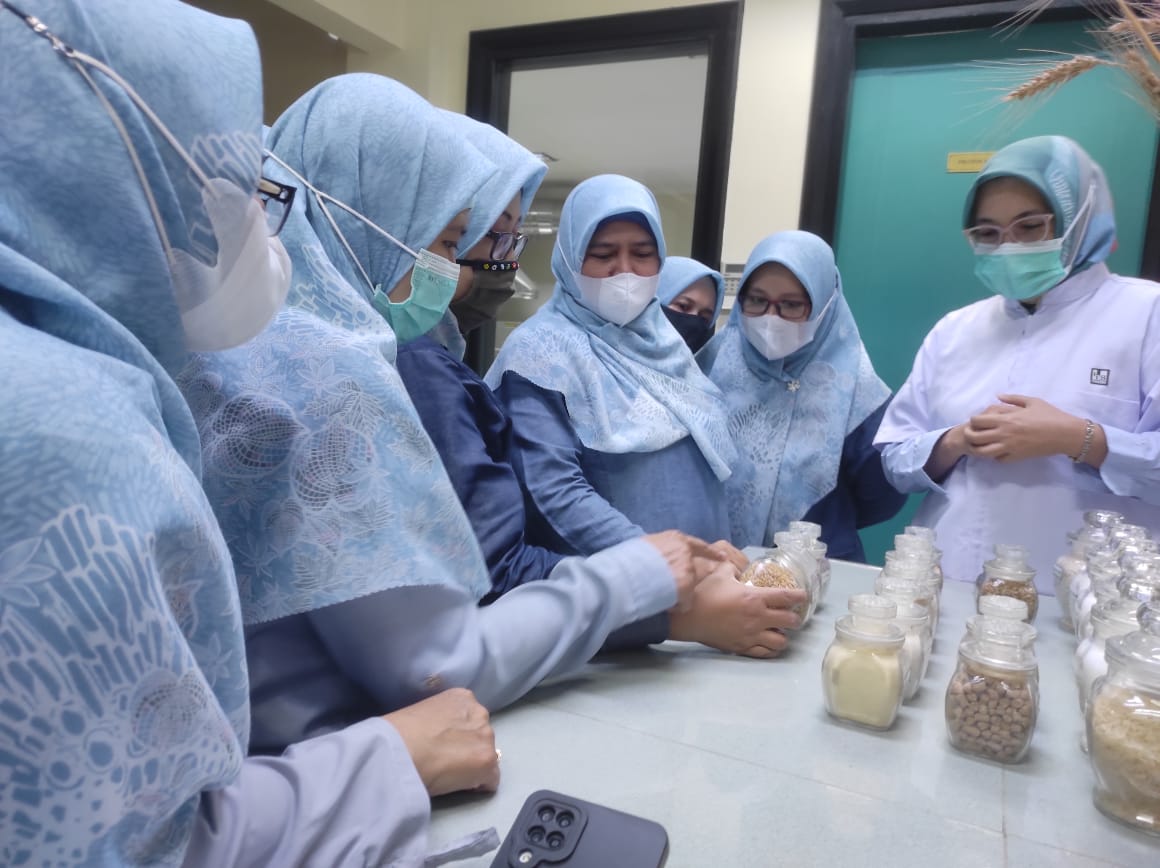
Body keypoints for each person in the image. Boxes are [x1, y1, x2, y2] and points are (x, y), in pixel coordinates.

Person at [0, 2, 496, 865]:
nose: (268, 232)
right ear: (112, 174)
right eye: (235, 191)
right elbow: (137, 840)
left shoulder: (90, 366)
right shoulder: (59, 427)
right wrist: (383, 763)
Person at [178, 74, 718, 758]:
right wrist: (640, 580)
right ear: (369, 220)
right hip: (338, 766)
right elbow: (433, 665)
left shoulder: (240, 342)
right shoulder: (332, 374)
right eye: (446, 241)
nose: (456, 271)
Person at [396, 129, 803, 657]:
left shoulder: (669, 346)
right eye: (603, 253)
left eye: (642, 253)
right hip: (617, 608)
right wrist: (663, 568)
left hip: (696, 604)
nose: (624, 271)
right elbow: (553, 489)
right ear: (569, 260)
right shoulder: (542, 350)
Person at [875, 135, 1160, 588]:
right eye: (988, 233)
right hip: (945, 580)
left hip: (1085, 603)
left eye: (1030, 227)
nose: (1009, 246)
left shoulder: (1145, 315)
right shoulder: (956, 330)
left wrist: (1080, 438)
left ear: (1080, 220)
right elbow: (894, 458)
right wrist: (954, 441)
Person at [699, 231, 905, 561]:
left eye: (792, 305)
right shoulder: (708, 371)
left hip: (818, 574)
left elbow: (882, 498)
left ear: (826, 305)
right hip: (719, 570)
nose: (770, 318)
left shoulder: (858, 396)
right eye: (756, 300)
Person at [656, 255, 725, 353]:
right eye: (683, 306)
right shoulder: (627, 359)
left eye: (704, 317)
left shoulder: (705, 366)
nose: (693, 319)